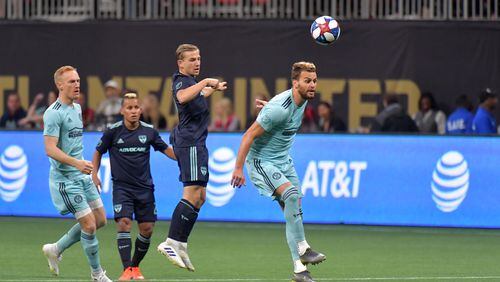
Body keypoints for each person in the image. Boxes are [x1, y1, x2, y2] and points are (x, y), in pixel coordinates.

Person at [231, 62, 325, 282]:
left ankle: (299, 270)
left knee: (294, 209)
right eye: (307, 81)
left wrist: (270, 106)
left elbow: (282, 109)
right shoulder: (278, 109)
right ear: (295, 83)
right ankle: (303, 248)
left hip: (283, 160)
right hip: (262, 161)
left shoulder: (299, 101)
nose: (312, 85)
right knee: (291, 196)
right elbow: (248, 136)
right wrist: (238, 168)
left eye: (314, 81)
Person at [156, 43, 227, 271]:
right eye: (192, 59)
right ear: (181, 63)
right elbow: (182, 96)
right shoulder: (181, 80)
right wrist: (206, 82)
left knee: (201, 196)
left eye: (199, 58)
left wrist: (209, 90)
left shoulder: (192, 83)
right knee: (191, 193)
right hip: (190, 144)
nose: (197, 62)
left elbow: (195, 96)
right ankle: (170, 242)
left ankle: (181, 243)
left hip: (197, 143)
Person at [92, 93, 176, 281]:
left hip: (145, 189)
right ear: (122, 110)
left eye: (136, 107)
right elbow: (98, 151)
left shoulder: (149, 131)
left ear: (141, 110)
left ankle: (134, 267)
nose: (133, 111)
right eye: (129, 108)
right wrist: (94, 174)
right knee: (124, 224)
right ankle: (127, 269)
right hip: (122, 188)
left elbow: (166, 150)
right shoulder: (113, 132)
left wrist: (182, 157)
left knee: (147, 228)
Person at [41, 66, 111, 282]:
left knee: (100, 220)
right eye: (71, 81)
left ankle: (56, 248)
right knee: (89, 225)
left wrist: (84, 169)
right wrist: (76, 164)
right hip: (65, 179)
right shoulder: (53, 113)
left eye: (78, 80)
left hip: (81, 175)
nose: (77, 85)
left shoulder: (77, 108)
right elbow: (50, 149)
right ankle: (97, 274)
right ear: (59, 85)